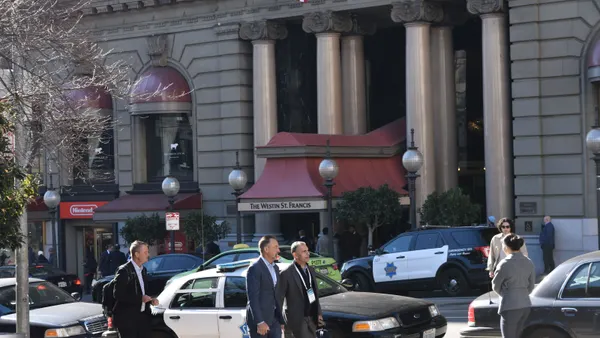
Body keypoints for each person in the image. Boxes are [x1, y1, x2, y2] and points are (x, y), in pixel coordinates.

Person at [492, 234, 535, 338]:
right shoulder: (528, 262)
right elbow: (531, 286)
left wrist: (507, 294)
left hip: (510, 306)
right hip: (525, 304)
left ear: (506, 247)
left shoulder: (504, 263)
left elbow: (495, 285)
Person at [112, 240, 159, 338]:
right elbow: (118, 294)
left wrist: (151, 299)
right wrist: (140, 299)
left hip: (143, 316)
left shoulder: (143, 270)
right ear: (137, 254)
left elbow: (144, 291)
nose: (148, 254)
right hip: (127, 319)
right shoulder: (124, 271)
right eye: (145, 252)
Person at [277, 241, 323, 338]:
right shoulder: (286, 273)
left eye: (307, 251)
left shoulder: (311, 270)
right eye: (303, 251)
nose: (307, 253)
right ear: (295, 255)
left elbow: (315, 294)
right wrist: (280, 320)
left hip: (313, 317)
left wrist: (319, 313)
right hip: (297, 319)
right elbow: (279, 298)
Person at [246, 235, 284, 338]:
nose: (278, 250)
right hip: (261, 322)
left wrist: (281, 320)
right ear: (266, 249)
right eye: (275, 247)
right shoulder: (255, 268)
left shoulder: (275, 268)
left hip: (275, 320)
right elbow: (253, 298)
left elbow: (275, 295)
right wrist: (260, 321)